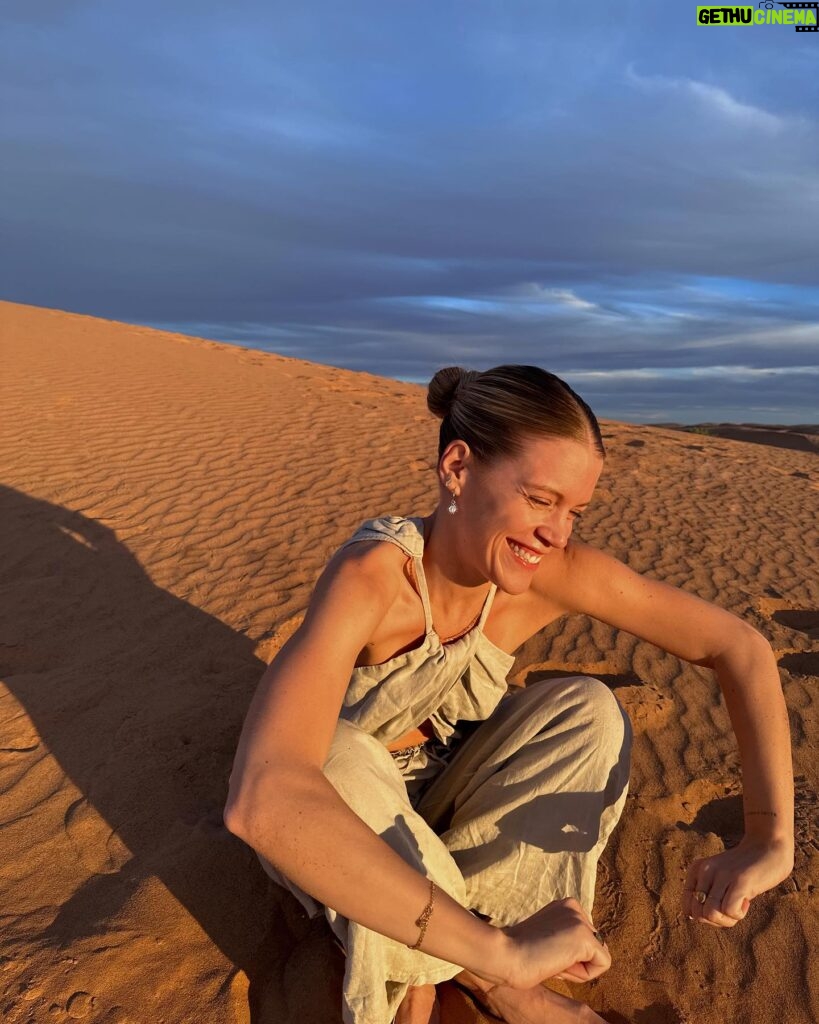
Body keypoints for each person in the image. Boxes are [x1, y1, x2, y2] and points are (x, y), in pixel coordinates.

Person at [223, 365, 794, 1024]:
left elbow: (738, 649)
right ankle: (480, 973)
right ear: (458, 468)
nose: (557, 532)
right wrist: (502, 953)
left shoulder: (548, 571)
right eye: (540, 499)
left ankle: (474, 959)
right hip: (346, 827)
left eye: (575, 511)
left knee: (586, 711)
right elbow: (264, 800)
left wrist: (766, 838)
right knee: (336, 754)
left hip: (450, 797)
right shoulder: (374, 579)